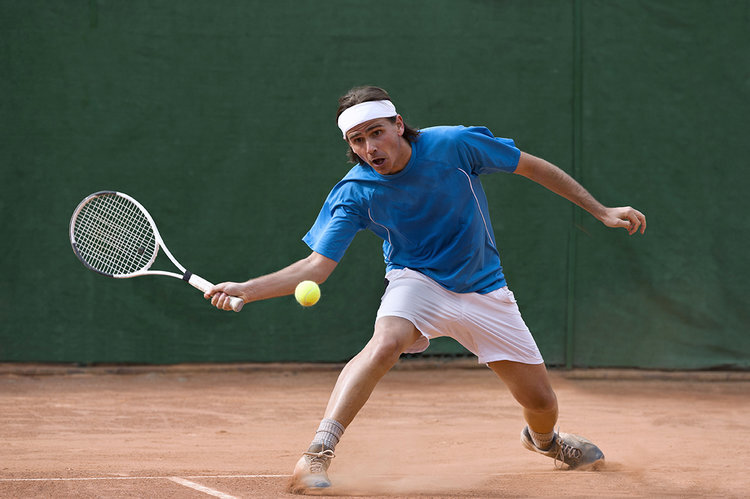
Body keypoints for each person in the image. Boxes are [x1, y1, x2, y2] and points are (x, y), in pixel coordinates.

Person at [205, 86, 647, 493]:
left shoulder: (454, 145)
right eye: (357, 141)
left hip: (485, 288)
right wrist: (247, 289)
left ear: (398, 124)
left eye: (376, 133)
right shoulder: (355, 192)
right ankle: (316, 453)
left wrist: (601, 210)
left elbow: (532, 167)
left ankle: (546, 442)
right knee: (386, 343)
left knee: (540, 401)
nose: (369, 148)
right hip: (416, 280)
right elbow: (315, 267)